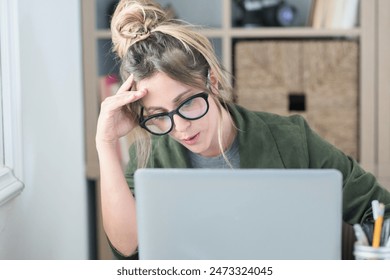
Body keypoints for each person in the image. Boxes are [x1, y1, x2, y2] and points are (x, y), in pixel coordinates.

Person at [96, 0, 390, 259]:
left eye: (187, 103)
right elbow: (129, 248)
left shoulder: (291, 138)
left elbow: (379, 210)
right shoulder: (149, 158)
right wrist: (106, 143)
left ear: (212, 81)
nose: (181, 127)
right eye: (159, 116)